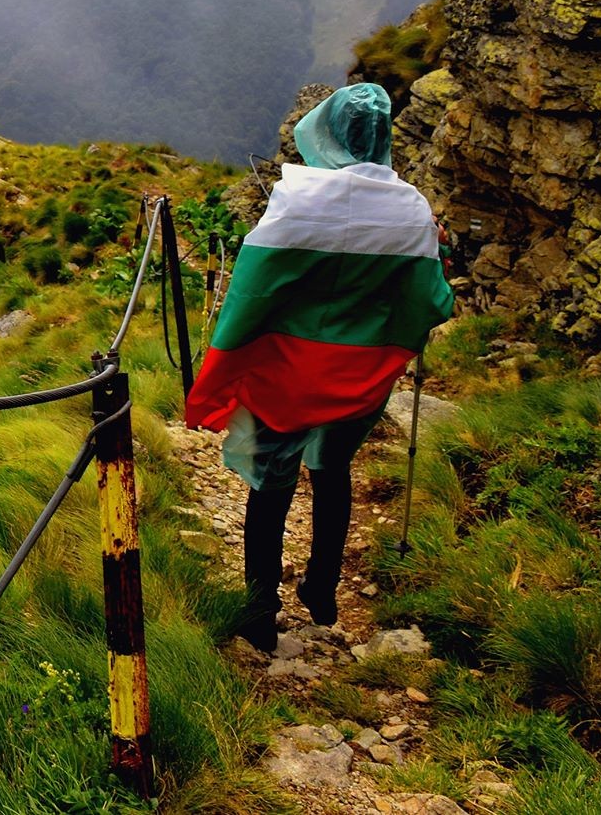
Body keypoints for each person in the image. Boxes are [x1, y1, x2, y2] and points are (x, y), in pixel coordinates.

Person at [185, 83, 454, 653]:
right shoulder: (411, 208)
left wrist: (228, 361)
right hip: (360, 376)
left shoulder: (299, 201)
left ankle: (259, 610)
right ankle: (324, 590)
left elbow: (254, 292)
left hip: (287, 373)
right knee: (332, 471)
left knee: (271, 486)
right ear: (383, 136)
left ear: (327, 130)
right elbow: (432, 302)